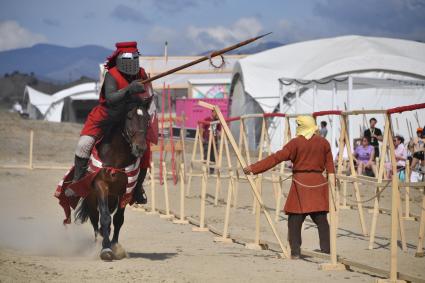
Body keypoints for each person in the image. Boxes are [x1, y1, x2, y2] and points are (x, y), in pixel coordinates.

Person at [66, 41, 158, 205]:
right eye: (128, 59)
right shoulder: (112, 75)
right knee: (84, 144)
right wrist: (129, 89)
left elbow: (148, 93)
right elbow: (111, 98)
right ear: (121, 58)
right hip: (108, 114)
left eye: (134, 58)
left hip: (131, 115)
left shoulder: (141, 73)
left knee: (144, 149)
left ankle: (137, 189)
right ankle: (77, 182)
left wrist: (146, 94)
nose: (131, 63)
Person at [243, 116, 333, 259]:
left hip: (301, 184)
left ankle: (296, 252)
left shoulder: (295, 143)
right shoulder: (324, 143)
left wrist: (253, 168)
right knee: (321, 220)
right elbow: (330, 167)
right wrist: (332, 185)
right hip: (318, 183)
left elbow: (275, 158)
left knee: (295, 219)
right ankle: (327, 251)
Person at [199, 110, 221, 174]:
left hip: (214, 141)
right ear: (212, 113)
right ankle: (205, 169)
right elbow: (202, 129)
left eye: (217, 113)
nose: (216, 114)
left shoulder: (217, 121)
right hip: (207, 139)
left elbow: (219, 131)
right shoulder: (207, 119)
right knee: (206, 155)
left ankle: (211, 170)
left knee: (213, 156)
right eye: (215, 113)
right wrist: (201, 138)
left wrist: (220, 137)